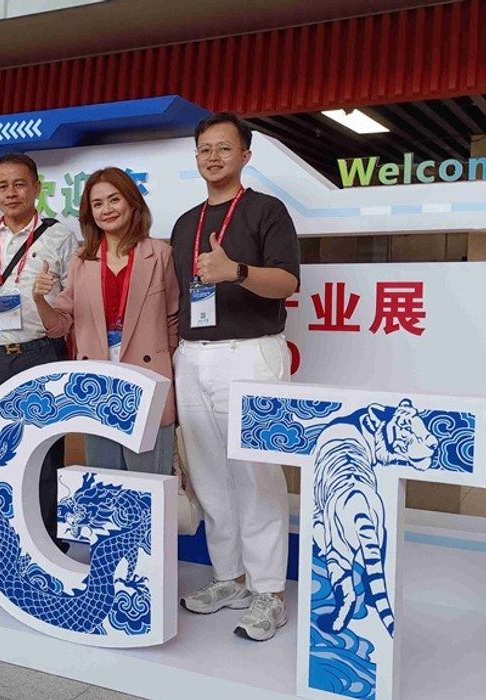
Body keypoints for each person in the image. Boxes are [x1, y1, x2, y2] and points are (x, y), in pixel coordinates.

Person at [170, 113, 300, 641]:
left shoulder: (267, 211)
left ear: (245, 155)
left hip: (251, 355)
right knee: (208, 473)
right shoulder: (185, 223)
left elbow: (287, 282)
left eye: (223, 148)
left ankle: (269, 591)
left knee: (256, 473)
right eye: (204, 149)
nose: (213, 157)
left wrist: (236, 271)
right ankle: (230, 578)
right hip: (192, 355)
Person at [0, 152, 77, 543]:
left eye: (20, 184)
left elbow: (73, 302)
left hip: (41, 353)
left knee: (45, 451)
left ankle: (47, 540)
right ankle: (1, 541)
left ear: (36, 188)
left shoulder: (60, 237)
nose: (11, 193)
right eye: (3, 186)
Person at [33, 166, 179, 473]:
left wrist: (170, 372)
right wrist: (39, 300)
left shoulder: (160, 253)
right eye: (97, 204)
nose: (106, 209)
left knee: (149, 483)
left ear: (132, 202)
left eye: (114, 199)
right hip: (97, 382)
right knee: (104, 482)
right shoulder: (81, 259)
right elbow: (60, 325)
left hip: (148, 378)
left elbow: (173, 319)